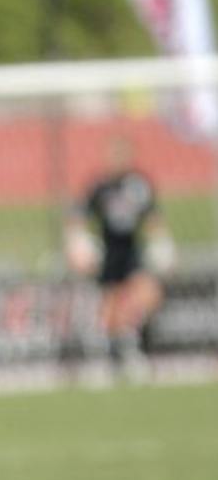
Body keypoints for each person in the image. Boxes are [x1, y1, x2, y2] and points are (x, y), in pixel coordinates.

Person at [64, 135, 175, 374]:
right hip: (110, 252)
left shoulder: (138, 185)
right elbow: (78, 215)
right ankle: (109, 354)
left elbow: (152, 216)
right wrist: (79, 243)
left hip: (133, 250)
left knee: (147, 295)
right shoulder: (99, 186)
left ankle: (134, 346)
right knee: (110, 306)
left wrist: (163, 244)